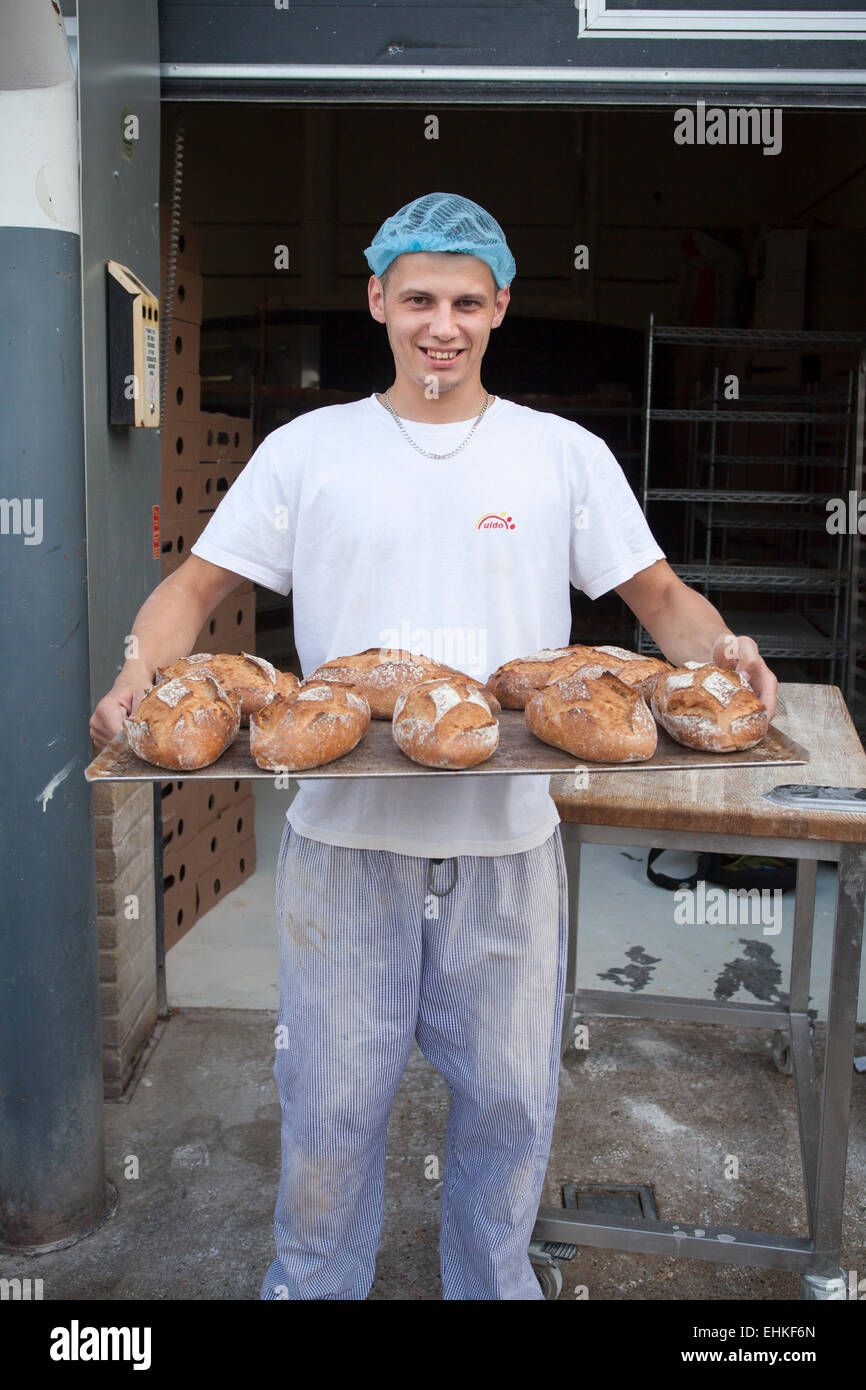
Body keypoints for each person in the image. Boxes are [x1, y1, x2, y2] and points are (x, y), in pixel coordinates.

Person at [90, 192, 778, 1300]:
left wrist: (723, 647)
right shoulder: (308, 451)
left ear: (499, 307)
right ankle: (313, 1284)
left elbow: (656, 595)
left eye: (465, 300)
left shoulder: (560, 455)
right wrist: (138, 668)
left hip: (506, 849)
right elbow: (196, 586)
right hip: (344, 847)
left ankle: (490, 1284)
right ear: (377, 300)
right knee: (329, 1102)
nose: (440, 324)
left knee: (509, 1100)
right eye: (417, 298)